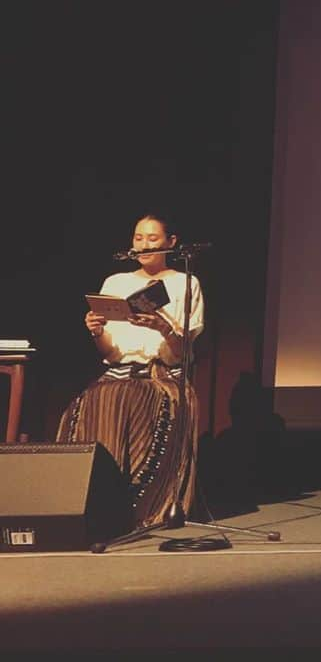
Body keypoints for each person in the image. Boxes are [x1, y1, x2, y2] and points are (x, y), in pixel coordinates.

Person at [58, 213, 204, 528]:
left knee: (145, 399)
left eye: (153, 238)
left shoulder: (185, 283)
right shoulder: (116, 282)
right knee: (84, 406)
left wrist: (164, 328)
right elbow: (109, 352)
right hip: (119, 372)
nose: (144, 244)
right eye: (138, 238)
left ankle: (143, 505)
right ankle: (98, 503)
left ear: (171, 242)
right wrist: (97, 331)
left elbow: (181, 354)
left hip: (161, 373)